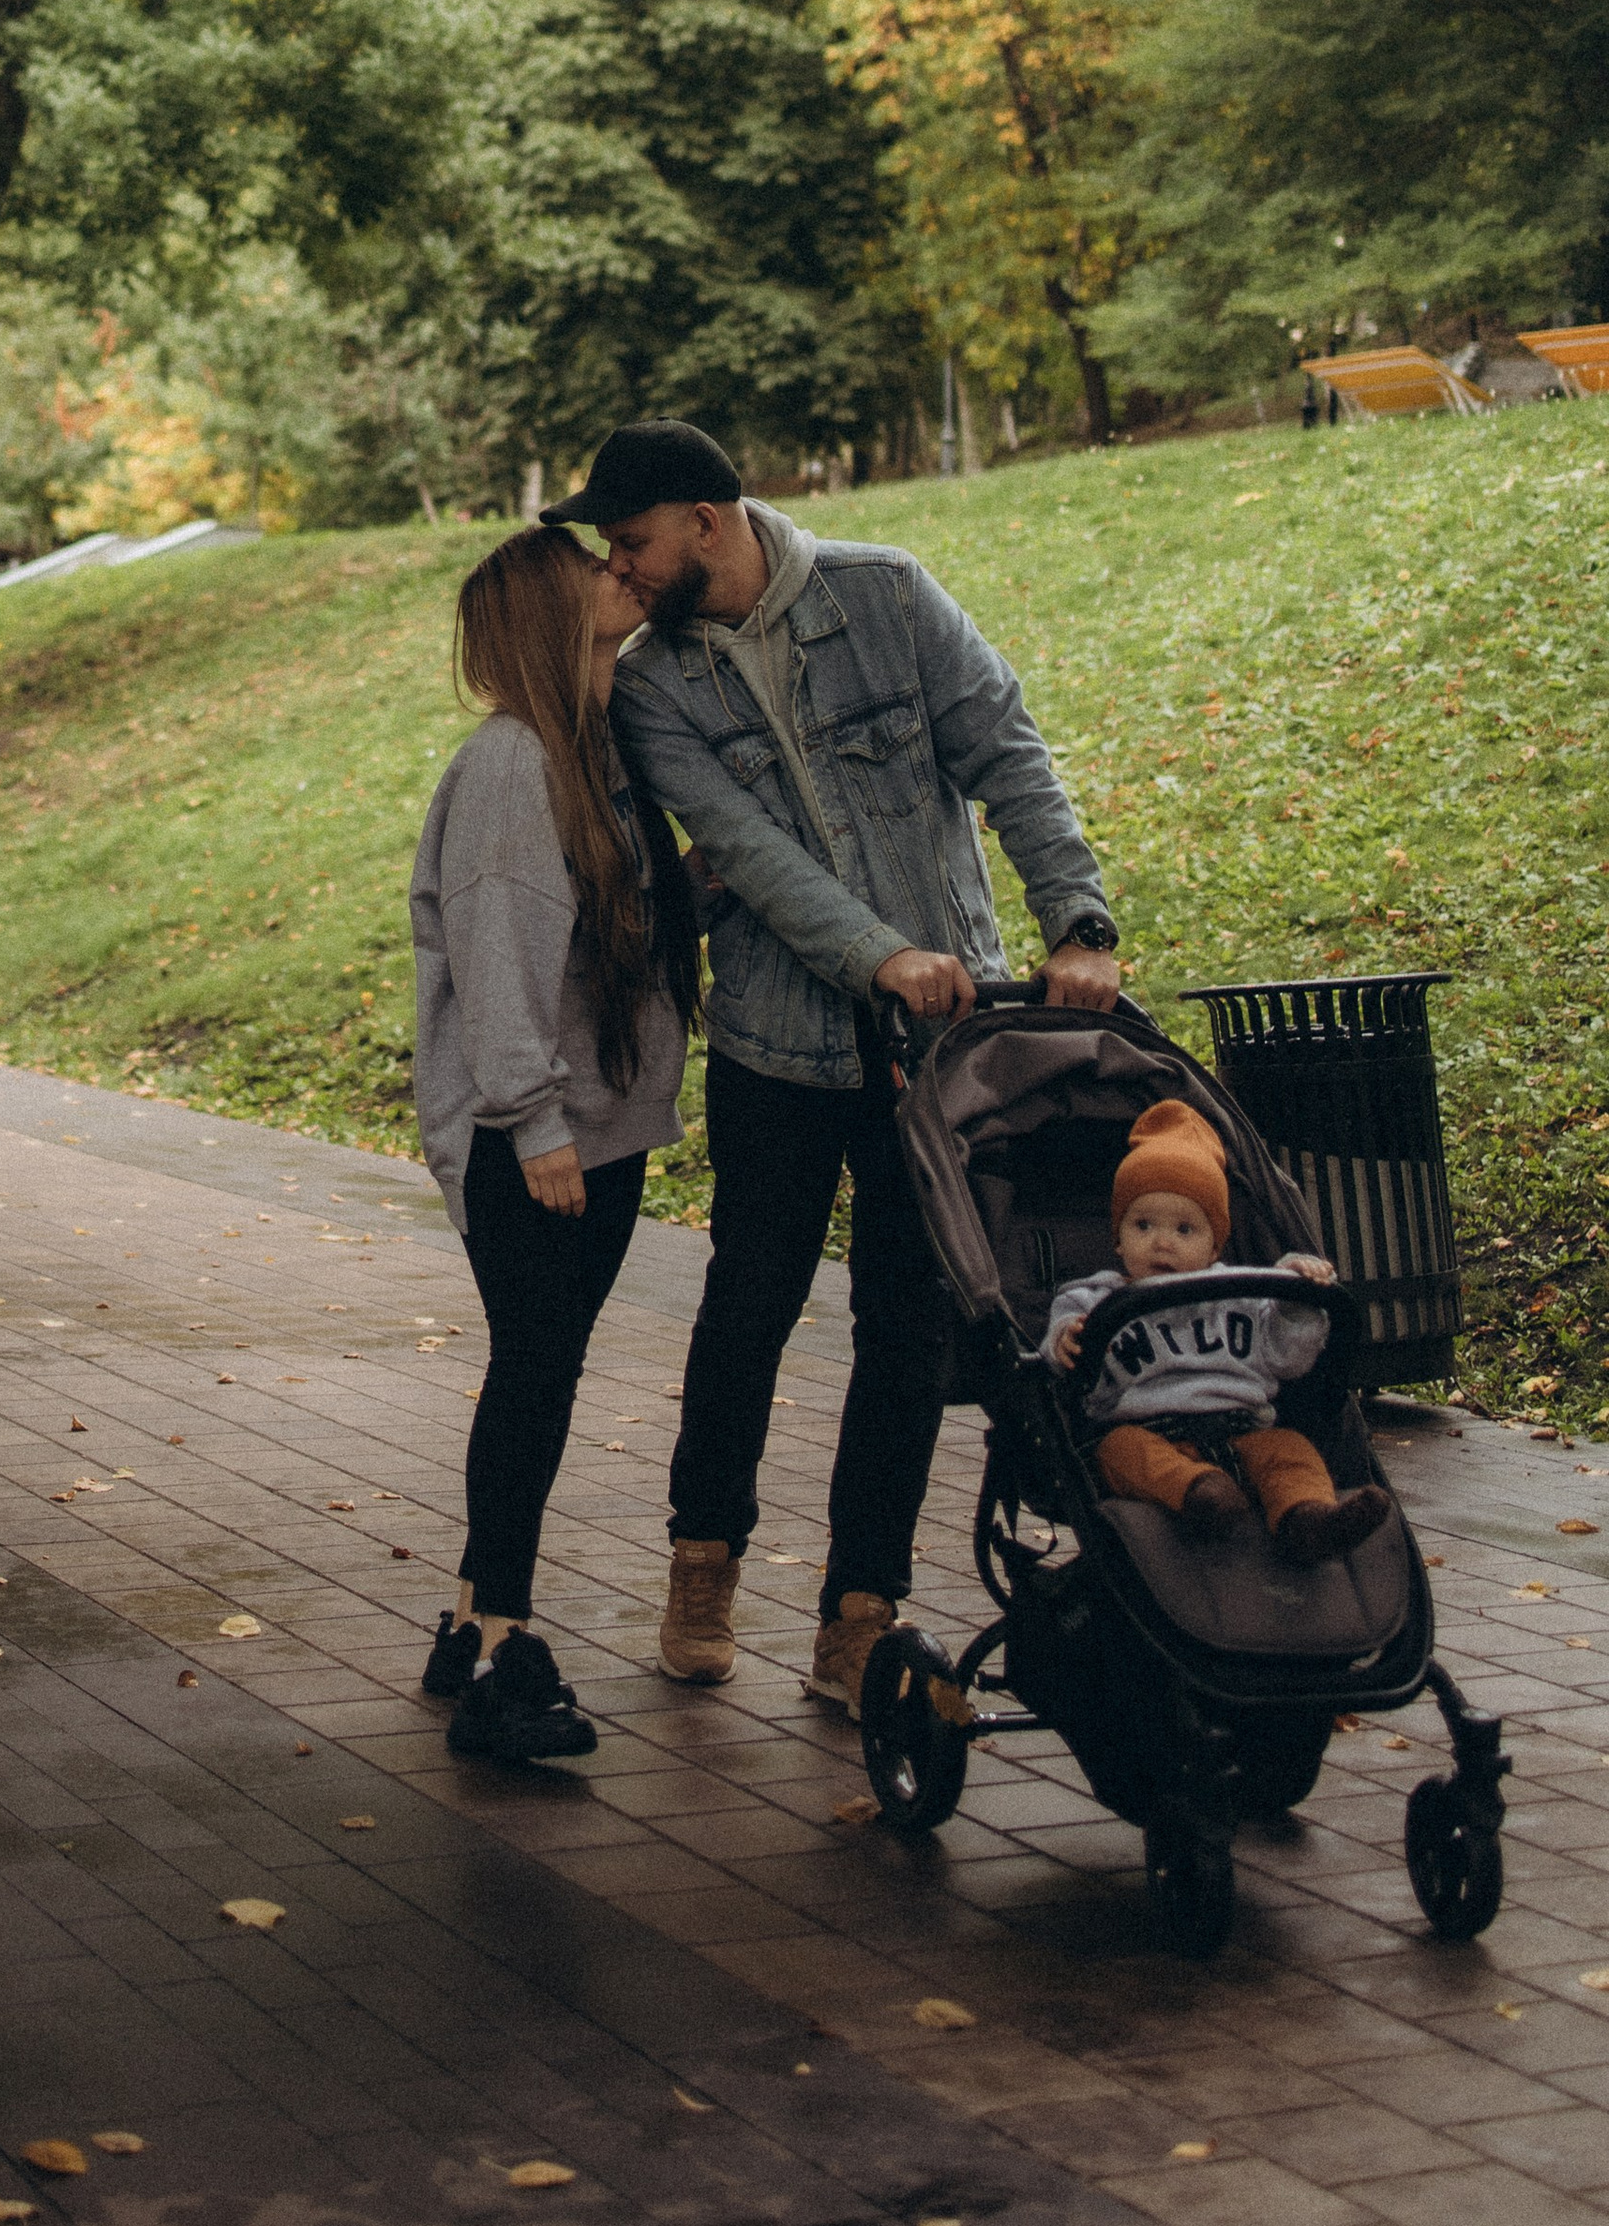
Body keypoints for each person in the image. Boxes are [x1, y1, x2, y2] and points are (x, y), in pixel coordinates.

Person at [569, 415, 1123, 1717]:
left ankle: (859, 1615)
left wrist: (1078, 922)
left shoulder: (888, 594)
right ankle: (702, 1561)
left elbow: (1010, 752)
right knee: (749, 1303)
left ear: (708, 519)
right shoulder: (653, 682)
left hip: (940, 1055)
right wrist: (879, 954)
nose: (623, 566)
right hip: (778, 1046)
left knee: (907, 1323)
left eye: (634, 539)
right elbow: (747, 852)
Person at [410, 524, 700, 1765]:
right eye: (592, 563)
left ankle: (470, 1616)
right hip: (530, 1134)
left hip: (596, 1122)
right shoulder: (511, 765)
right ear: (546, 607)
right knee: (534, 1367)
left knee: (546, 1366)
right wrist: (533, 1123)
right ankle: (501, 1659)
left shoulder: (590, 753)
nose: (612, 572)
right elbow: (497, 962)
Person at [1046, 1101, 1391, 1561]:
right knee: (1118, 1451)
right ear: (1117, 1237)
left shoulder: (1239, 1293)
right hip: (1148, 1431)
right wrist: (1063, 1340)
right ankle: (1204, 1496)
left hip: (1243, 1428)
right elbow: (1059, 1350)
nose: (1162, 1241)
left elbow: (1291, 1360)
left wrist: (1294, 1300)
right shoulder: (1095, 1299)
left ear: (1215, 1246)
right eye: (1142, 1224)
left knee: (1291, 1449)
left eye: (1185, 1229)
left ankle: (1309, 1520)